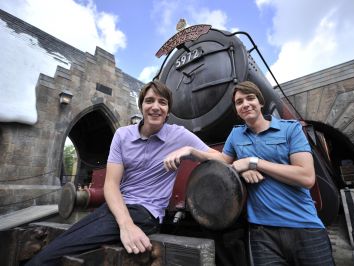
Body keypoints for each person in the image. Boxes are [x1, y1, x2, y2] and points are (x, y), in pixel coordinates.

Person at [27, 80, 218, 265]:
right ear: (141, 105)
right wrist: (126, 225)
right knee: (60, 246)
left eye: (162, 102)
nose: (156, 107)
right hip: (117, 208)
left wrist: (191, 151)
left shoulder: (179, 135)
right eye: (149, 101)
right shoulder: (122, 135)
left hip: (146, 213)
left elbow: (223, 159)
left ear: (168, 109)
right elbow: (111, 184)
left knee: (50, 256)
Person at [184, 81, 334, 265]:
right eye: (239, 102)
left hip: (305, 227)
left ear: (261, 102)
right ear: (237, 110)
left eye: (250, 98)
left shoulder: (291, 129)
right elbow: (223, 163)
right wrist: (192, 152)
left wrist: (253, 163)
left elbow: (306, 177)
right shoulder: (236, 135)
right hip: (262, 233)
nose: (245, 104)